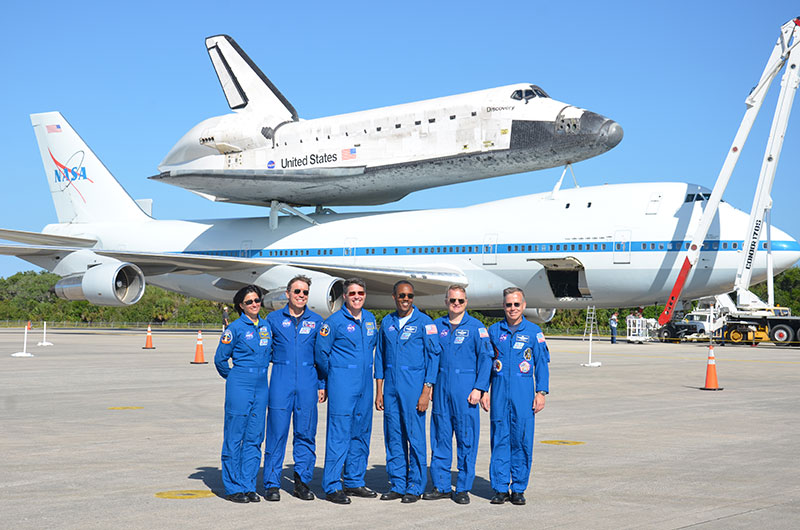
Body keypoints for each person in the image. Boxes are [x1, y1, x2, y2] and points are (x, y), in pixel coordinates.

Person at [424, 284, 493, 505]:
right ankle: (442, 485)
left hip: (466, 391)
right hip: (442, 390)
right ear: (446, 302)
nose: (456, 304)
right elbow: (429, 357)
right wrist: (430, 385)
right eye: (452, 300)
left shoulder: (476, 327)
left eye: (460, 301)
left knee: (466, 440)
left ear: (466, 303)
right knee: (440, 439)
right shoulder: (436, 326)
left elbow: (486, 359)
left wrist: (479, 388)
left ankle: (462, 487)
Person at [481, 287, 550, 506]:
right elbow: (485, 364)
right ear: (504, 306)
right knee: (499, 439)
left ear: (524, 306)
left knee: (522, 440)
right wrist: (483, 389)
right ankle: (500, 488)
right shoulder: (493, 331)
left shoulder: (533, 332)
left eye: (516, 304)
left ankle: (518, 488)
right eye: (509, 304)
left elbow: (542, 364)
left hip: (523, 394)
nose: (513, 308)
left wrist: (541, 392)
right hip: (500, 393)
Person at [374, 281, 441, 503]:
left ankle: (415, 485)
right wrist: (380, 391)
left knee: (415, 437)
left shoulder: (425, 323)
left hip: (414, 388)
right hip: (391, 388)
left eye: (410, 296)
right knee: (394, 437)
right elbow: (380, 358)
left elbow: (434, 358)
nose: (406, 299)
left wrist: (426, 390)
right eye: (402, 295)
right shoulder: (387, 322)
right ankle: (398, 484)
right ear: (394, 296)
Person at [314, 278, 379, 504]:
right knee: (339, 434)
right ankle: (332, 485)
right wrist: (332, 377)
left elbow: (373, 348)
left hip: (365, 385)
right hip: (342, 383)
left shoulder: (370, 319)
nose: (357, 297)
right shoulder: (333, 322)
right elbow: (321, 355)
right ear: (345, 296)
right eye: (352, 293)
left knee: (361, 433)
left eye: (360, 292)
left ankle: (354, 480)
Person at [262, 275, 325, 501]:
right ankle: (271, 483)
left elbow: (322, 357)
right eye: (297, 291)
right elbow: (263, 351)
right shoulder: (273, 319)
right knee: (276, 433)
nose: (301, 296)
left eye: (305, 292)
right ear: (287, 294)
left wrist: (321, 384)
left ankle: (302, 482)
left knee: (306, 434)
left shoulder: (317, 321)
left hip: (308, 382)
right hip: (281, 380)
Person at [213, 285, 272, 503]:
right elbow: (220, 359)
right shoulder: (235, 329)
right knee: (234, 436)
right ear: (241, 305)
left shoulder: (266, 327)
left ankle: (248, 485)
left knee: (255, 437)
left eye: (257, 300)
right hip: (240, 382)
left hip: (261, 384)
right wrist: (234, 378)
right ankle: (232, 487)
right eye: (249, 302)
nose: (255, 304)